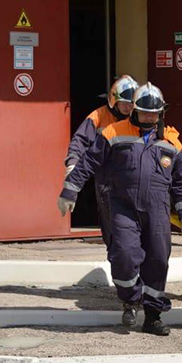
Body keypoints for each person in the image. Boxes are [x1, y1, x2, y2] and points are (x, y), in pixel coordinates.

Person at [57, 82, 182, 336]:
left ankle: (152, 316)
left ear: (161, 113)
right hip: (123, 206)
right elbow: (88, 162)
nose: (149, 118)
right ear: (134, 111)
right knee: (124, 254)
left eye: (153, 114)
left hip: (157, 210)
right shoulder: (113, 132)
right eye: (144, 113)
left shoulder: (172, 140)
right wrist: (70, 190)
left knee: (158, 260)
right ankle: (130, 300)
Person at [61, 75, 138, 249]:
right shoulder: (98, 116)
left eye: (131, 104)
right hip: (107, 179)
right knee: (111, 224)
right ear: (113, 101)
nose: (128, 108)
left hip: (133, 177)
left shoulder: (138, 119)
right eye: (124, 104)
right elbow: (80, 141)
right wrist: (73, 164)